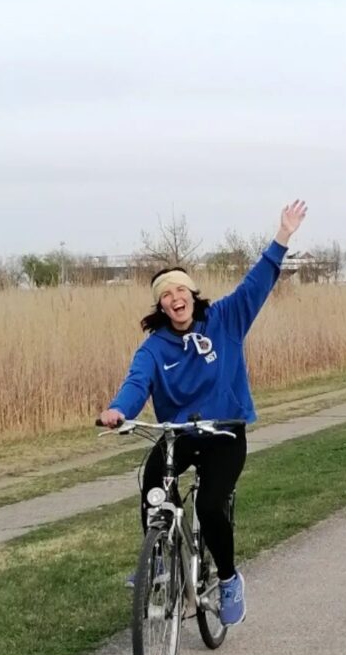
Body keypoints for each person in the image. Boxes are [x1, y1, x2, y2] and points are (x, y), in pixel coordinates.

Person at [99, 200, 308, 625]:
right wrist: (119, 410)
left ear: (192, 295)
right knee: (154, 489)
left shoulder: (225, 318)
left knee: (211, 506)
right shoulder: (155, 347)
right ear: (161, 306)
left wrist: (282, 236)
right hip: (179, 435)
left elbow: (257, 284)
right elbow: (137, 383)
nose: (175, 299)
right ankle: (159, 567)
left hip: (225, 433)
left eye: (181, 291)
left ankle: (229, 579)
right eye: (166, 296)